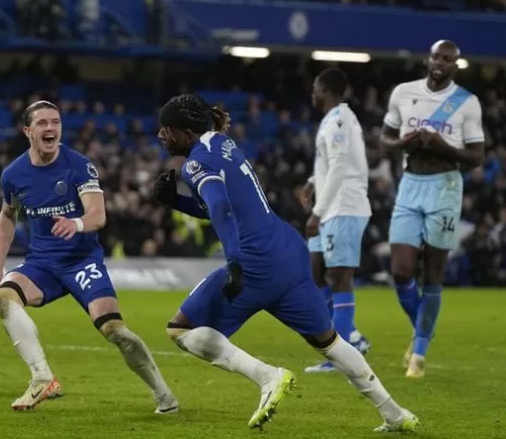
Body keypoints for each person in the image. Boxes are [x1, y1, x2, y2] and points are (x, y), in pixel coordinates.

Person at [153, 93, 418, 432]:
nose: (161, 135)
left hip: (255, 262)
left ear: (185, 133)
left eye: (167, 129)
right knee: (329, 341)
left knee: (179, 328)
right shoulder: (222, 144)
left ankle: (268, 376)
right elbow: (233, 207)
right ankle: (394, 413)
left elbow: (220, 209)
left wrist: (234, 262)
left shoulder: (194, 163)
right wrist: (178, 202)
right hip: (289, 253)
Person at [0, 100, 178, 413]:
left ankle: (165, 397)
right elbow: (7, 215)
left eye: (55, 122)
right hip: (42, 264)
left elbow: (98, 215)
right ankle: (41, 378)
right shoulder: (14, 174)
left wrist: (75, 223)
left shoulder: (79, 165)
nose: (51, 128)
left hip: (82, 262)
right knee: (5, 296)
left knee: (116, 331)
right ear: (27, 131)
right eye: (43, 123)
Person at [380, 40, 485, 378]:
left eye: (448, 59)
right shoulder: (403, 93)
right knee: (400, 271)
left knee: (433, 274)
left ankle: (419, 354)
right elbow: (385, 138)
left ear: (456, 65)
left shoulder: (466, 103)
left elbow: (476, 156)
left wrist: (442, 145)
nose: (441, 62)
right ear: (427, 59)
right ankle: (423, 328)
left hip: (445, 187)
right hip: (410, 185)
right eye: (436, 56)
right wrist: (402, 144)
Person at [300, 68, 372, 372]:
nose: (313, 92)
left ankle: (342, 354)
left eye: (316, 86)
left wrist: (317, 213)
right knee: (316, 270)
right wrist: (313, 181)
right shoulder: (331, 120)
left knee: (340, 278)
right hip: (332, 207)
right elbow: (331, 164)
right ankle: (351, 337)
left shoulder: (340, 120)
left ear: (325, 88)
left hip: (344, 207)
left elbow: (341, 166)